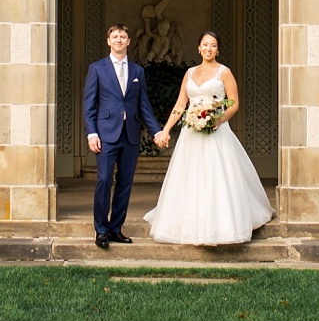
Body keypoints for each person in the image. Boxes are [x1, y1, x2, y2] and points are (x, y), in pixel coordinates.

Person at [145, 30, 274, 245]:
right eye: (205, 45)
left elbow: (234, 103)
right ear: (198, 47)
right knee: (189, 177)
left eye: (213, 45)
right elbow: (180, 105)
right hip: (191, 134)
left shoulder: (224, 72)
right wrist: (166, 129)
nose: (208, 49)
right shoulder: (189, 73)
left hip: (216, 132)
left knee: (217, 176)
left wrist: (218, 120)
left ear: (218, 49)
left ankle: (221, 223)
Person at [82, 23, 167, 248]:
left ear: (129, 41)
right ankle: (100, 229)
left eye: (123, 37)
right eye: (115, 36)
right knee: (104, 180)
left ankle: (115, 229)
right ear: (109, 41)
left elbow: (143, 106)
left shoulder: (138, 71)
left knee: (125, 183)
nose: (119, 40)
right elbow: (89, 105)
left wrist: (157, 131)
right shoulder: (97, 69)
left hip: (130, 135)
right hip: (105, 135)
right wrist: (92, 133)